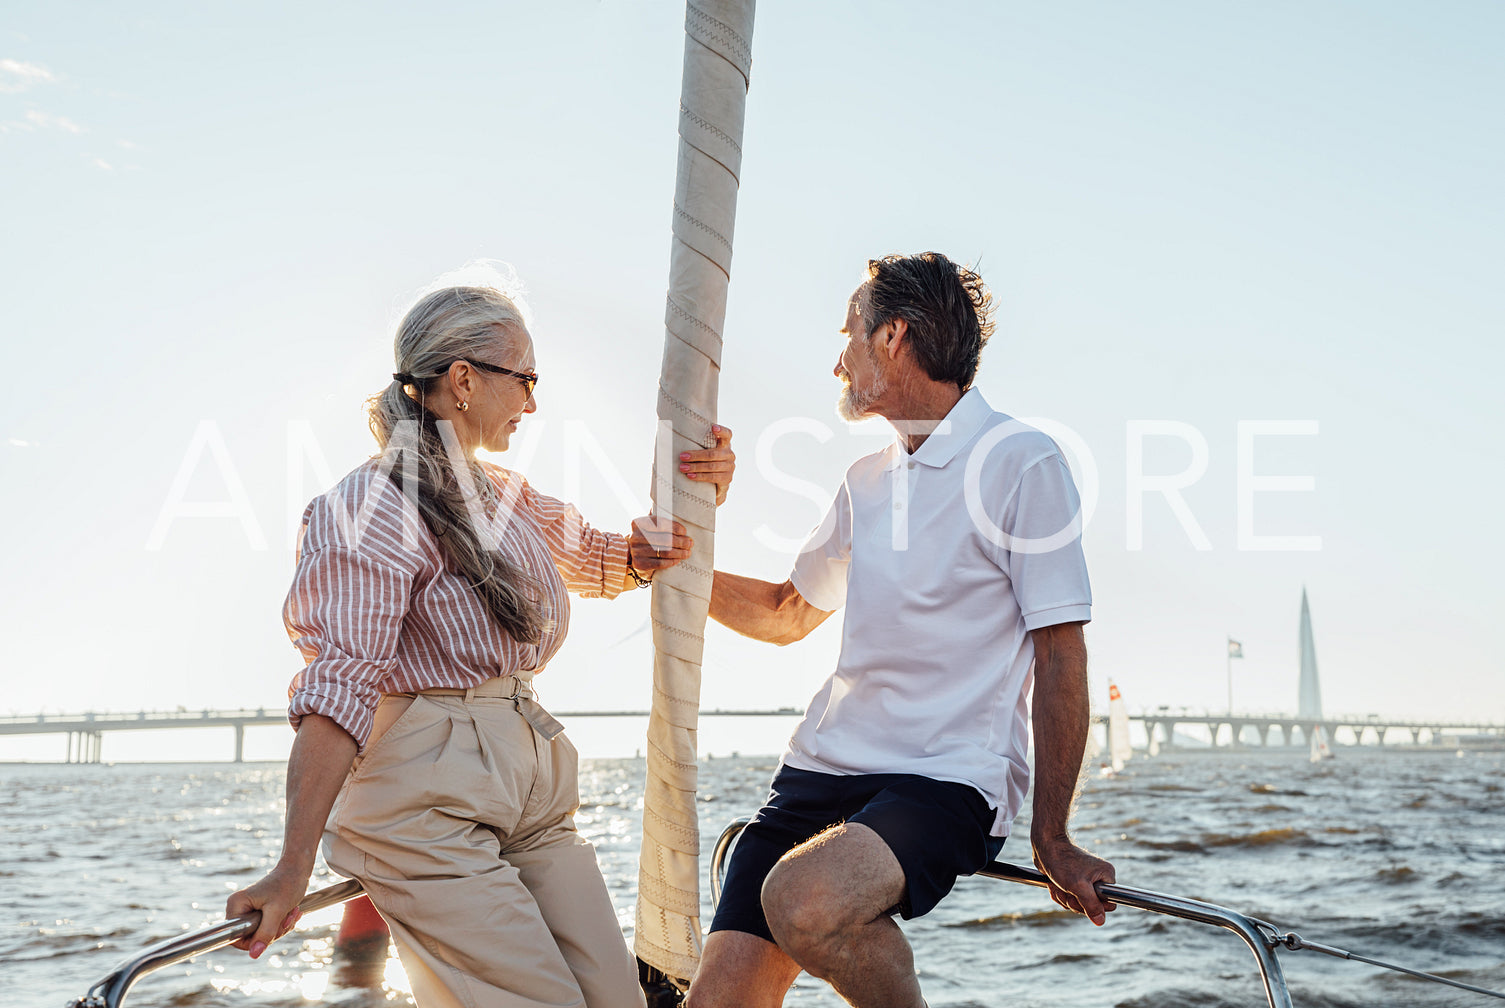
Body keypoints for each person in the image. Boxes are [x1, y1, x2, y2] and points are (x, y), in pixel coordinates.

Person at [226, 281, 736, 1008]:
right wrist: (291, 867)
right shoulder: (369, 505)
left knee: (617, 999)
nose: (532, 403)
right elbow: (338, 688)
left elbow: (609, 556)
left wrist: (700, 492)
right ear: (462, 380)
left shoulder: (507, 496)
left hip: (528, 788)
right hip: (425, 799)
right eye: (524, 380)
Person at [684, 253, 1115, 1008]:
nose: (836, 361)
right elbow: (788, 614)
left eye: (847, 334)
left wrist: (1051, 836)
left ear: (892, 337)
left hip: (945, 778)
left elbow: (1059, 655)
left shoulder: (1020, 462)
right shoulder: (866, 480)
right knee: (715, 1000)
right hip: (821, 769)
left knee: (805, 899)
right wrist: (663, 571)